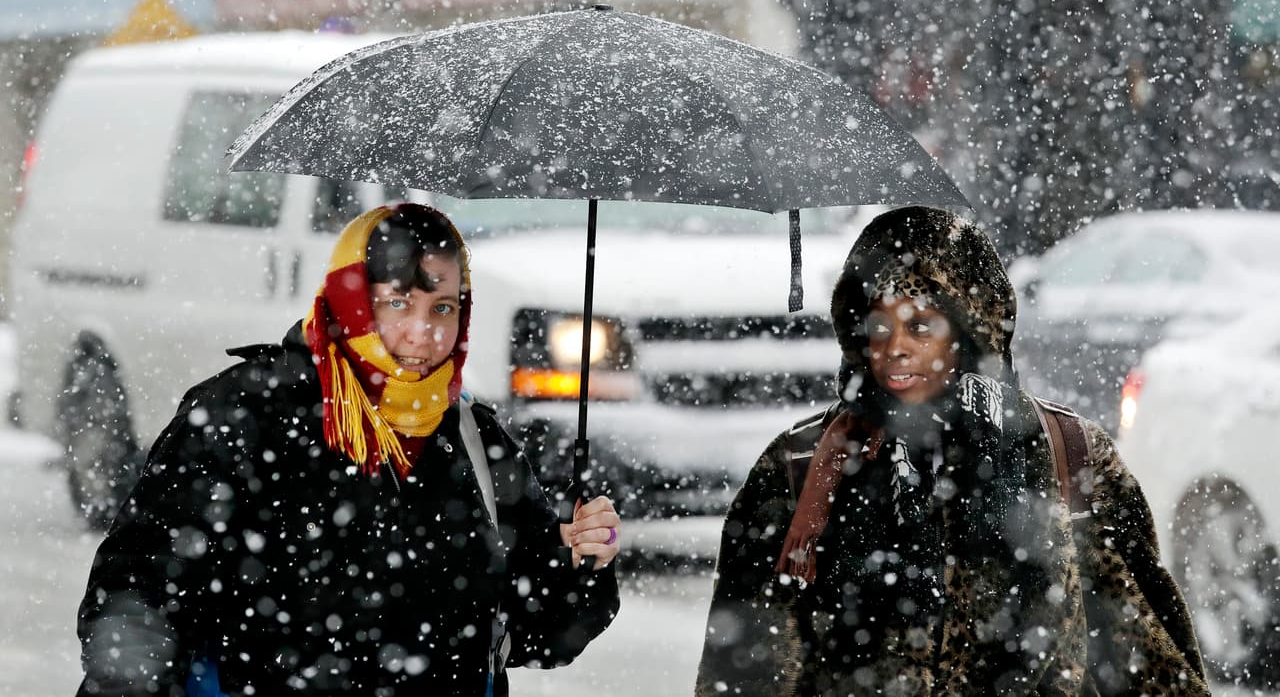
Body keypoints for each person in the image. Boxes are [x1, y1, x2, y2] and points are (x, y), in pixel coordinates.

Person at [76, 203, 621, 696]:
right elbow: (138, 588)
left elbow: (537, 637)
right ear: (351, 299)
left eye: (443, 308)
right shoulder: (244, 416)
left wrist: (578, 563)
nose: (422, 334)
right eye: (399, 303)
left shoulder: (473, 440)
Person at [695, 206, 1206, 695]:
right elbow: (747, 667)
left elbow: (1143, 655)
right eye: (878, 327)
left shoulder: (1065, 450)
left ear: (969, 330)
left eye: (920, 326)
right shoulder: (801, 464)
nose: (894, 347)